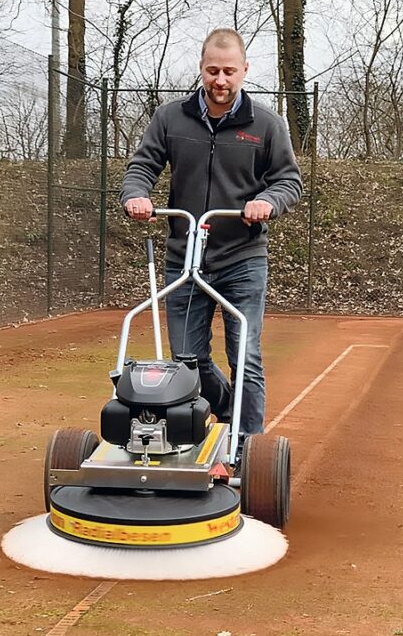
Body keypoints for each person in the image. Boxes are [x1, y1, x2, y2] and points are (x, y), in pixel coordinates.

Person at [120, 27, 303, 453]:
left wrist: (267, 202)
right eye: (212, 71)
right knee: (187, 362)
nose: (220, 80)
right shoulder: (170, 118)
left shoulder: (266, 125)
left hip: (242, 256)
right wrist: (136, 195)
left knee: (246, 357)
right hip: (184, 256)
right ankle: (223, 409)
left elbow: (289, 181)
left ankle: (246, 447)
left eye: (229, 71)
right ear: (201, 69)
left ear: (245, 71)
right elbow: (142, 166)